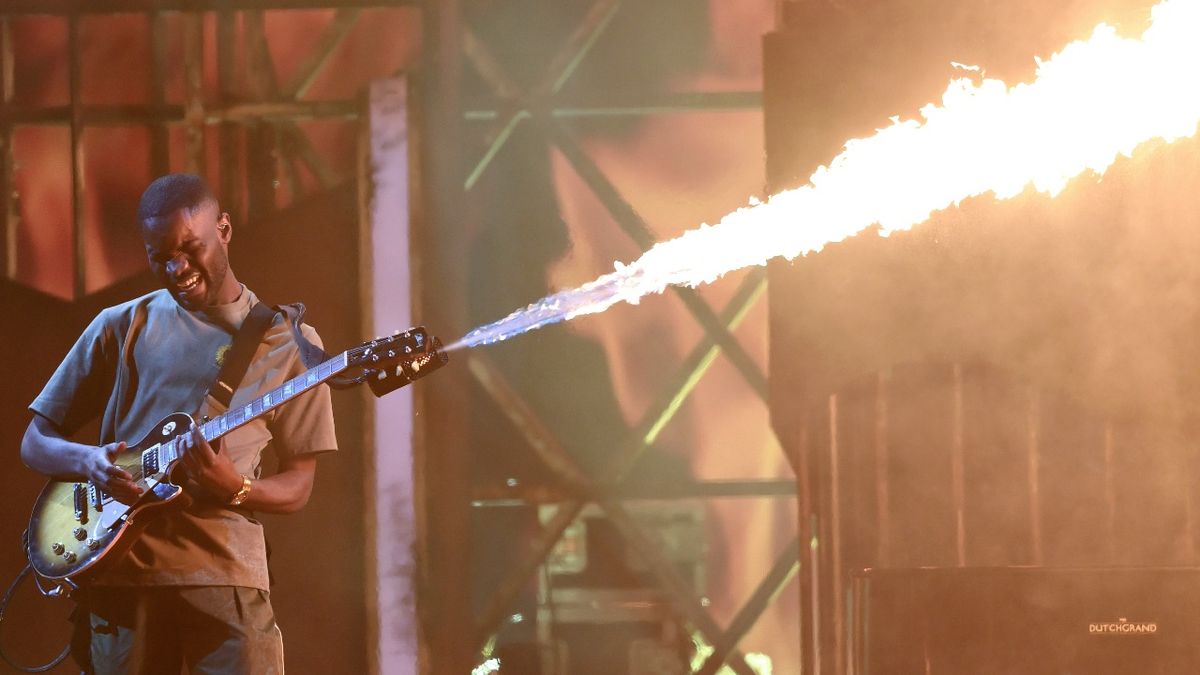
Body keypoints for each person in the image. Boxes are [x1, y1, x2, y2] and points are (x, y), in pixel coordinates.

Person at [19, 173, 337, 674]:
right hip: (123, 580)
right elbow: (35, 442)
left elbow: (299, 486)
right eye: (159, 254)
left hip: (226, 578)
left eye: (191, 248)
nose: (177, 267)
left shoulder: (289, 342)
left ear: (225, 229)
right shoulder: (119, 324)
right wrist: (90, 461)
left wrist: (236, 489)